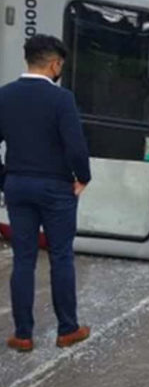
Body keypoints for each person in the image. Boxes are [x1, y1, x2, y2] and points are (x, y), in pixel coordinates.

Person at [1, 35, 92, 352]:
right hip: (55, 188)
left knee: (23, 259)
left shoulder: (4, 96)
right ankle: (68, 329)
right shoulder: (62, 100)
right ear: (55, 64)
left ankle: (23, 334)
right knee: (61, 256)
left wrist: (5, 178)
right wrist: (83, 178)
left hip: (17, 185)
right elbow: (76, 146)